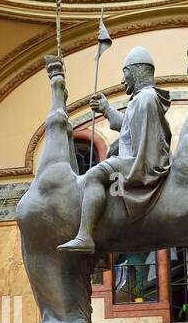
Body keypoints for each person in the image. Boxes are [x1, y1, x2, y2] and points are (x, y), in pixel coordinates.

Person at [57, 46, 174, 252]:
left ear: (136, 71)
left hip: (142, 164)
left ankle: (84, 236)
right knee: (107, 176)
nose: (123, 81)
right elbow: (130, 128)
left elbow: (143, 143)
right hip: (138, 160)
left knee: (94, 175)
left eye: (125, 73)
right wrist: (106, 109)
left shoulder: (145, 99)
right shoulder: (143, 99)